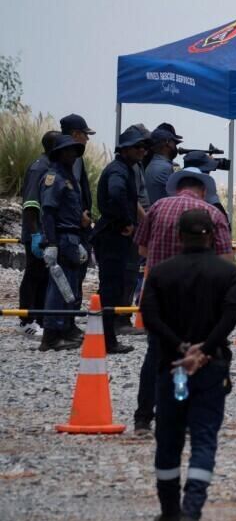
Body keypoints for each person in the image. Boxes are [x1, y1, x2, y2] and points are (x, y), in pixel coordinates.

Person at [141, 208, 236, 521]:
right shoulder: (227, 273)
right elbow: (230, 316)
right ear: (212, 236)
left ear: (179, 236)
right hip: (210, 368)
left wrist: (181, 348)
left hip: (171, 367)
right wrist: (204, 350)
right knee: (204, 439)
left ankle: (169, 513)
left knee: (168, 439)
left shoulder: (160, 273)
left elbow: (150, 317)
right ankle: (192, 513)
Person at [132, 168, 233, 436]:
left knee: (155, 356)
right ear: (204, 190)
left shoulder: (156, 208)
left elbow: (142, 249)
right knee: (197, 356)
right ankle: (188, 416)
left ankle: (143, 418)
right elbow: (226, 262)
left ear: (178, 187)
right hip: (200, 300)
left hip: (160, 296)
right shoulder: (212, 214)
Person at [91, 124, 150, 354]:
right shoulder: (118, 171)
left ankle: (105, 336)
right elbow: (116, 194)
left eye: (143, 147)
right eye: (137, 147)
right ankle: (107, 340)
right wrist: (126, 222)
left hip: (112, 234)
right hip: (112, 235)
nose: (142, 151)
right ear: (124, 149)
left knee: (112, 287)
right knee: (111, 288)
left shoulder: (124, 169)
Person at [37, 135, 90, 352]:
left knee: (71, 286)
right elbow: (48, 212)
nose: (73, 155)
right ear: (58, 154)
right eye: (68, 151)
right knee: (59, 286)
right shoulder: (54, 178)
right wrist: (51, 243)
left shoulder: (68, 178)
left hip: (71, 236)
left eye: (75, 151)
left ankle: (65, 328)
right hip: (61, 236)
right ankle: (50, 335)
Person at [17, 130, 59, 339]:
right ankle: (26, 321)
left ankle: (40, 319)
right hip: (36, 233)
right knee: (33, 275)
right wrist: (35, 235)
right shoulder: (39, 168)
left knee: (44, 277)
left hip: (46, 233)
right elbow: (30, 204)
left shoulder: (51, 167)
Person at [59, 113, 95, 223]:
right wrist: (79, 215)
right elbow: (66, 191)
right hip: (70, 221)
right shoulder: (64, 157)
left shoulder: (77, 158)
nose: (87, 139)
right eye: (85, 134)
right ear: (75, 134)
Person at [144, 124, 184, 206]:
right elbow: (183, 193)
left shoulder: (151, 165)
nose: (176, 147)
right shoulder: (168, 168)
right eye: (174, 143)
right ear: (167, 143)